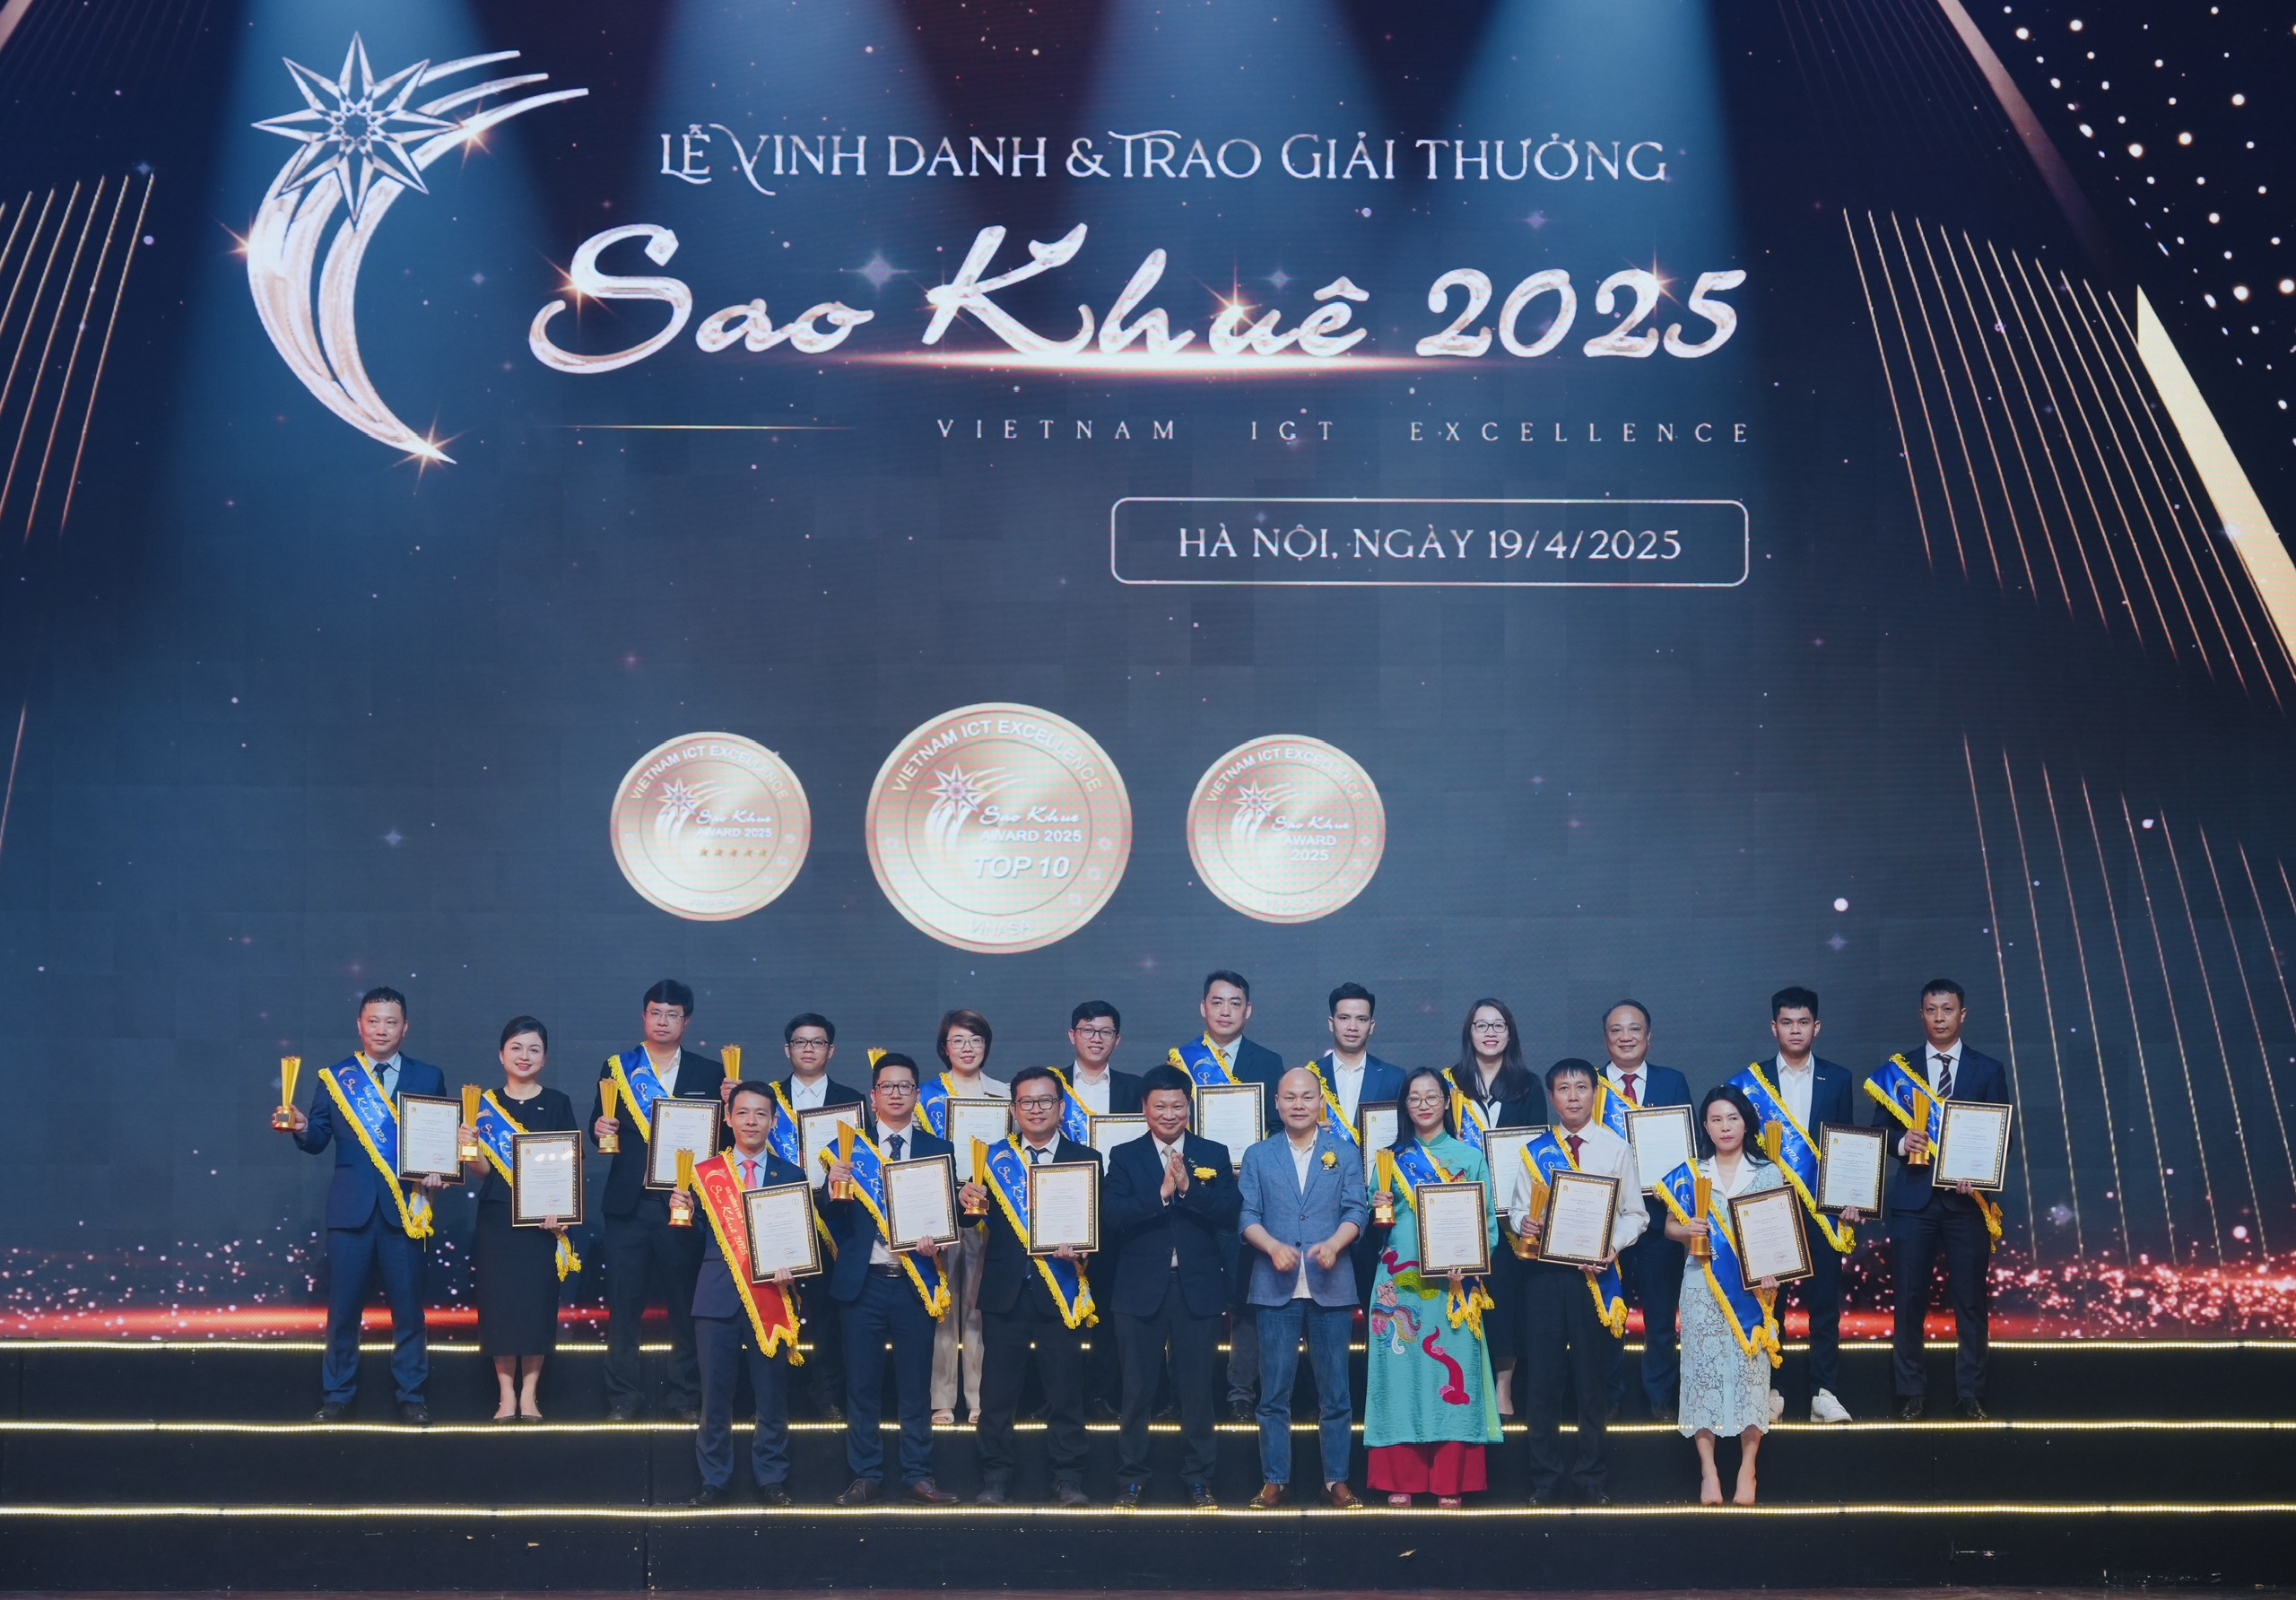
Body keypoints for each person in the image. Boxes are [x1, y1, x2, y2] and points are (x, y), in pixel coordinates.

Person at [280, 987, 448, 1423]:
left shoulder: (428, 1077)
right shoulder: (337, 1078)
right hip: (350, 1213)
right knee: (343, 1312)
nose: (381, 1030)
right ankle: (336, 1395)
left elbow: (439, 1142)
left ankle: (412, 1395)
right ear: (359, 1025)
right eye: (373, 1021)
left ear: (405, 1028)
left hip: (406, 1211)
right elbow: (317, 1139)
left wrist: (439, 1172)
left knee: (409, 1310)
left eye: (391, 1022)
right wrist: (301, 1126)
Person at [958, 1065, 1100, 1506]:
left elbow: (1099, 1228)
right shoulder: (990, 1159)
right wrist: (965, 1201)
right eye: (1027, 1102)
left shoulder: (1086, 1159)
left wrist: (1082, 1249)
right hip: (1006, 1292)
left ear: (1061, 1107)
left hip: (1060, 1290)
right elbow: (970, 1221)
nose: (1036, 1109)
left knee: (1066, 1392)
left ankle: (1068, 1478)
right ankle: (995, 1477)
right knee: (997, 1394)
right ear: (1014, 1109)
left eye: (1045, 1101)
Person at [1100, 1063, 1241, 1508]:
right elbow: (1111, 1215)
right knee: (1137, 1390)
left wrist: (1187, 1190)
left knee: (1197, 1391)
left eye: (1177, 1106)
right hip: (1138, 1290)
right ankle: (1131, 1479)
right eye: (1159, 1106)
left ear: (1188, 1108)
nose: (1168, 1114)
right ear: (1145, 1108)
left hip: (1197, 1289)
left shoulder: (1212, 1153)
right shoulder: (1124, 1156)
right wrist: (1160, 1194)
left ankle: (1199, 1479)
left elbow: (1229, 1212)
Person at [822, 1051, 959, 1505]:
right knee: (861, 1385)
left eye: (905, 1086)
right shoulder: (848, 1149)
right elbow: (829, 1219)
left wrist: (940, 1238)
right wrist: (830, 1188)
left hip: (914, 1281)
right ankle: (866, 1475)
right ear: (873, 1095)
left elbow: (950, 1217)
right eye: (887, 1086)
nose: (896, 1094)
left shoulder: (939, 1150)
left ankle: (918, 1473)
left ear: (916, 1094)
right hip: (862, 1283)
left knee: (915, 1383)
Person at [588, 979, 727, 1422]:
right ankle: (623, 1398)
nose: (662, 1021)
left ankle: (685, 1396)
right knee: (623, 1305)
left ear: (686, 1021)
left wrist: (732, 1105)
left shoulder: (710, 1074)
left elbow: (724, 1141)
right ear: (644, 1016)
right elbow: (599, 1125)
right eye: (655, 1012)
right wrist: (599, 1129)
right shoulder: (618, 1068)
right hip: (629, 1207)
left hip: (683, 1203)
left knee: (685, 1306)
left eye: (672, 1014)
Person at [1364, 1068, 1502, 1508]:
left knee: (1450, 1374)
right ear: (1404, 1106)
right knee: (1401, 1375)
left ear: (1446, 1102)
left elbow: (1489, 1226)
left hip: (1453, 1287)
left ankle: (1449, 1479)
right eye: (1414, 1098)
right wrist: (1378, 1207)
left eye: (1431, 1096)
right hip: (1398, 1287)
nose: (1423, 1104)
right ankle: (1400, 1476)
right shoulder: (1388, 1160)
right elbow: (1375, 1227)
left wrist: (1470, 1262)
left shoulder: (1469, 1157)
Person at [1876, 978, 2012, 1420]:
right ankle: (1910, 1391)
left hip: (1966, 1205)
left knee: (1970, 1301)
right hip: (1913, 1203)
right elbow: (1879, 1133)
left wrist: (1980, 1176)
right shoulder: (1900, 1070)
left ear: (1962, 1014)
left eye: (1948, 1009)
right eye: (1932, 1010)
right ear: (1921, 1014)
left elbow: (2001, 1139)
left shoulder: (1987, 1070)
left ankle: (1970, 1393)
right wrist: (1902, 1143)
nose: (1939, 1018)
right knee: (1909, 1298)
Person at [1514, 1058, 1645, 1506]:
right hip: (1545, 1278)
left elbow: (1636, 1214)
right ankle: (1545, 1479)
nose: (1573, 1096)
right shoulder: (1534, 1150)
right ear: (1552, 1097)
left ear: (1595, 1093)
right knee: (1542, 1382)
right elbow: (1518, 1209)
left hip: (1596, 1277)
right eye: (1563, 1089)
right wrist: (1524, 1223)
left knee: (1593, 1382)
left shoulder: (1615, 1149)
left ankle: (1591, 1477)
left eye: (1581, 1087)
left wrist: (1614, 1246)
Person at [1239, 1066, 1368, 1509]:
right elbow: (1246, 1215)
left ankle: (1336, 1480)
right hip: (1274, 1286)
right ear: (1277, 1103)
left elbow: (1357, 1210)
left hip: (1331, 1285)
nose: (1299, 1104)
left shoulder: (1343, 1152)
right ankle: (1275, 1479)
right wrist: (1271, 1246)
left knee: (1336, 1393)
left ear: (1320, 1102)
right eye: (1290, 1097)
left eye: (1307, 1097)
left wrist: (1334, 1244)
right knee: (1273, 1392)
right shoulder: (1258, 1154)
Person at [1170, 970, 1288, 1422]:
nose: (1225, 1011)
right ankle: (1185, 1392)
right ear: (1203, 1007)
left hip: (1249, 1196)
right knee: (1189, 1295)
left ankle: (1241, 1391)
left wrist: (1249, 1160)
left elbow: (1279, 1127)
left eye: (1235, 1003)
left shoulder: (1269, 1062)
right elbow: (1169, 1122)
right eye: (1217, 1002)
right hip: (1193, 1195)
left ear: (1248, 1010)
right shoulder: (1181, 1061)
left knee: (1246, 1296)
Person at [687, 1081, 808, 1506]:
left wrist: (795, 1267)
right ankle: (713, 1480)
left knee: (771, 1395)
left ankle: (771, 1478)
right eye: (743, 1112)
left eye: (760, 1114)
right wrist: (681, 1214)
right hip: (716, 1296)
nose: (751, 1121)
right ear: (728, 1118)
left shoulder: (791, 1175)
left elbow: (800, 1240)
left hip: (771, 1296)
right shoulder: (703, 1174)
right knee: (714, 1396)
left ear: (773, 1121)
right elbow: (691, 1242)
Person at [1665, 1084, 1786, 1505]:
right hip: (1700, 1284)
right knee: (1702, 1373)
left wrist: (1775, 1270)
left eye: (1733, 1118)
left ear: (1746, 1122)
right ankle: (1709, 1472)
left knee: (1751, 1375)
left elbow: (1780, 1232)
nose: (1725, 1126)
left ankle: (1748, 1468)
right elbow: (1669, 1227)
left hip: (1753, 1289)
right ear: (1705, 1126)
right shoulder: (1690, 1173)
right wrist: (1687, 1230)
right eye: (1716, 1119)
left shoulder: (1767, 1173)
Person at [1754, 986, 1863, 1423]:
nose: (1795, 1030)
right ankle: (1769, 1389)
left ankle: (1824, 1392)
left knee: (1824, 1304)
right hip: (1770, 1206)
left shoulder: (1838, 1078)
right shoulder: (1754, 1081)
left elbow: (1847, 1145)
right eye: (1787, 1022)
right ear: (1773, 1027)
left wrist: (1851, 1198)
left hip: (1822, 1209)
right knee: (1769, 1302)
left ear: (1816, 1027)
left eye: (1803, 1022)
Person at [463, 1015, 576, 1422]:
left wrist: (562, 1212)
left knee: (535, 1305)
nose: (524, 1055)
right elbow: (482, 1173)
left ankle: (529, 1395)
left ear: (544, 1058)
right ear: (501, 1054)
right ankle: (505, 1395)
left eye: (533, 1049)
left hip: (541, 1224)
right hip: (498, 1220)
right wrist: (469, 1147)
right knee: (500, 1305)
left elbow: (569, 1165)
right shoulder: (483, 1105)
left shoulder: (558, 1103)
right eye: (516, 1047)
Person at [1445, 998, 1544, 1415]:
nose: (1489, 1032)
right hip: (1460, 1211)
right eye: (1481, 1025)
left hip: (1511, 1214)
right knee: (1461, 1293)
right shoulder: (1449, 1085)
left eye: (1498, 1025)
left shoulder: (1529, 1085)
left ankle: (1503, 1387)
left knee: (1506, 1299)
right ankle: (1466, 1381)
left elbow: (1538, 1151)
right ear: (1469, 1033)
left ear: (1510, 1033)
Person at [1598, 1000, 1692, 1422]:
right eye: (1616, 1030)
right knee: (1607, 1313)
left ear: (1649, 1036)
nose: (1626, 1037)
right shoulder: (1591, 1085)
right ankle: (1608, 1394)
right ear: (1606, 1038)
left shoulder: (1672, 1082)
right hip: (1607, 1222)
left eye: (1634, 1029)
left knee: (1660, 1314)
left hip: (1659, 1220)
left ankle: (1660, 1395)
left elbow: (1688, 1153)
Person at [774, 1012, 862, 1422]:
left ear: (831, 1050)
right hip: (779, 1215)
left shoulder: (853, 1101)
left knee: (827, 1313)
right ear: (787, 1049)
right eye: (800, 1042)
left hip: (832, 1219)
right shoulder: (767, 1098)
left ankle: (827, 1395)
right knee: (776, 1305)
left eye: (818, 1042)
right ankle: (776, 1395)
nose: (808, 1049)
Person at [921, 1008, 1007, 1427]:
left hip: (988, 1213)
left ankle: (977, 1396)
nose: (967, 1048)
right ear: (945, 1047)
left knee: (977, 1309)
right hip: (938, 1212)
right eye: (958, 1040)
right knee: (942, 1308)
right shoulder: (925, 1098)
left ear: (986, 1045)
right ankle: (941, 1398)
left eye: (975, 1040)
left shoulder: (1005, 1095)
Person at [1307, 982, 1405, 1305]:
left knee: (1377, 1303)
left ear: (1371, 1026)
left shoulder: (1394, 1077)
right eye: (1344, 1018)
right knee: (1321, 1305)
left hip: (1377, 1207)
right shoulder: (1309, 1077)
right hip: (1321, 1205)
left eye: (1361, 1019)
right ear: (1331, 1022)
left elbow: (1405, 1140)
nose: (1352, 1026)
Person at [1065, 1000, 1145, 1117]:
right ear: (1073, 1036)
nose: (1097, 1039)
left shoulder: (1136, 1089)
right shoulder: (1054, 1083)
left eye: (1106, 1032)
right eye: (1088, 1030)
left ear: (1116, 1040)